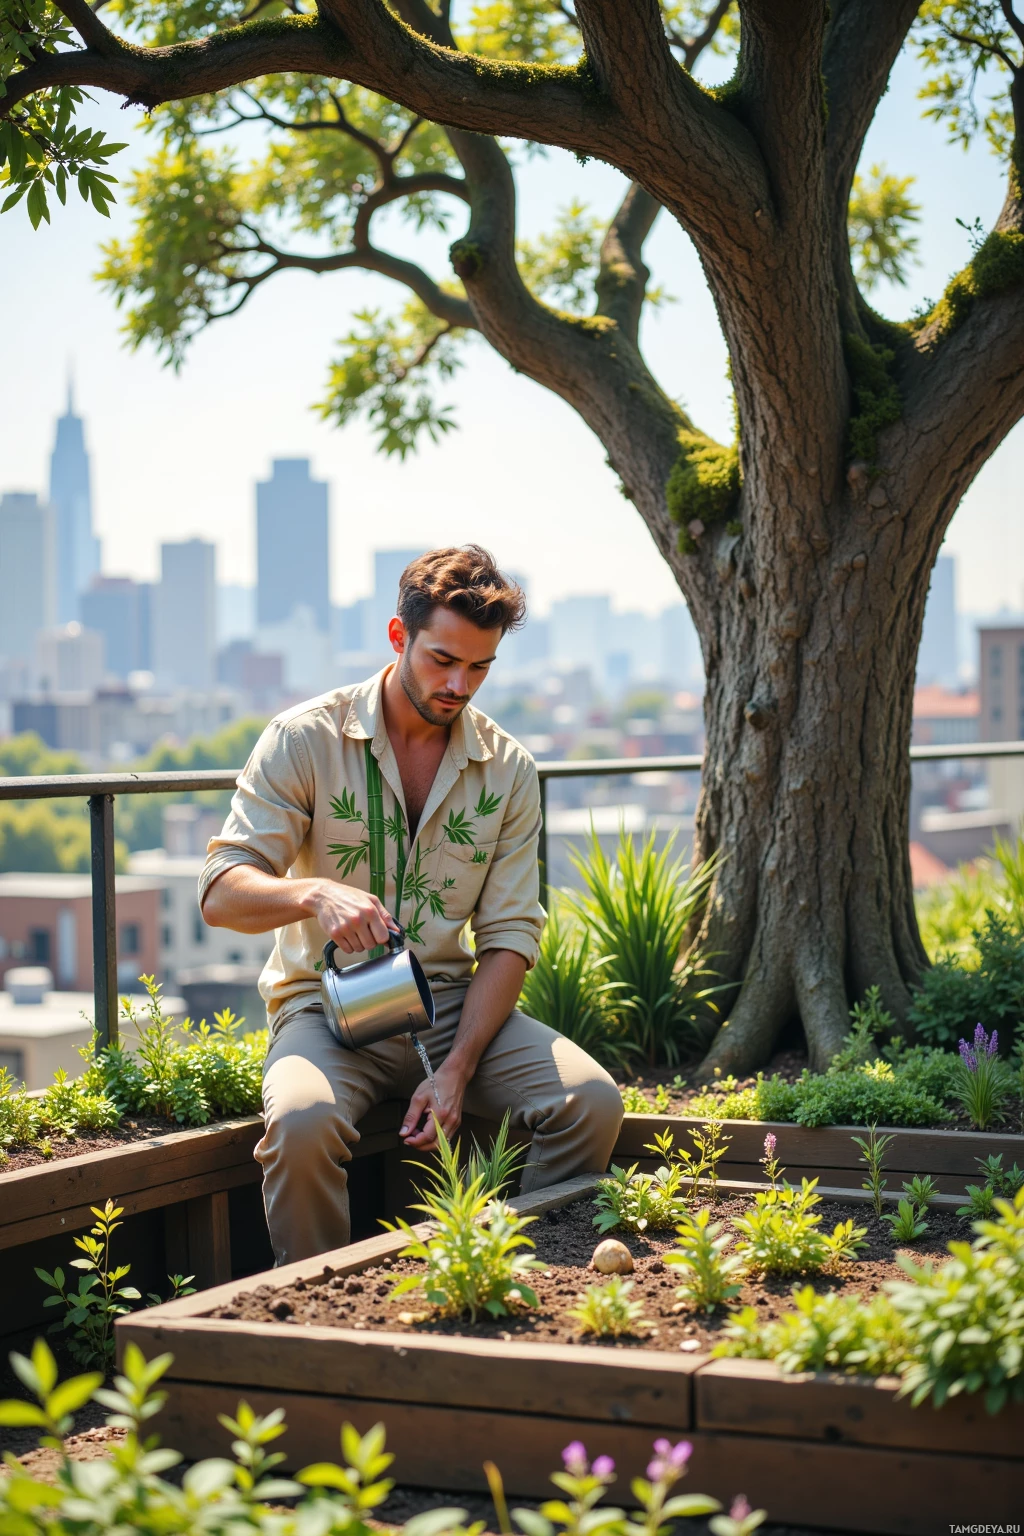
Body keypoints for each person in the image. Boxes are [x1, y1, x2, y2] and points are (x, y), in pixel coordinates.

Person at [200, 545, 623, 1263]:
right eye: (442, 659)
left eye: (480, 667)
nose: (460, 683)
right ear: (399, 637)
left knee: (592, 1103)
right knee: (300, 1127)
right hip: (326, 1011)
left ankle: (512, 1281)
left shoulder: (510, 769)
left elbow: (512, 935)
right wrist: (313, 891)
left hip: (453, 1004)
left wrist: (456, 1068)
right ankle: (316, 1321)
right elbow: (220, 892)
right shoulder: (305, 738)